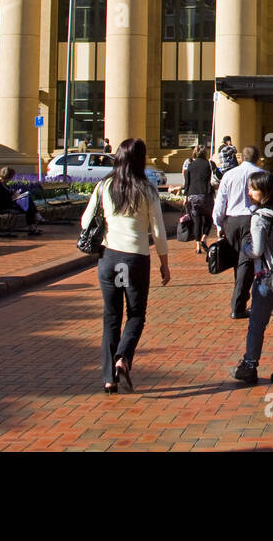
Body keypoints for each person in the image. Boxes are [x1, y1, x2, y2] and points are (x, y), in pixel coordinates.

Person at [81, 138, 170, 394]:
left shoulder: (104, 186)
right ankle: (123, 357)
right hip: (136, 259)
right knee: (136, 315)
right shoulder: (147, 189)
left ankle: (109, 378)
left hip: (109, 258)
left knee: (111, 317)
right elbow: (158, 231)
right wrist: (164, 264)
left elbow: (86, 220)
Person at [229, 170, 273, 385]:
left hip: (266, 278)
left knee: (257, 324)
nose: (249, 192)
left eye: (253, 188)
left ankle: (249, 365)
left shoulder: (259, 217)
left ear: (264, 191)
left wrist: (245, 247)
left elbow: (257, 250)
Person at [213, 145, 263, 319]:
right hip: (251, 220)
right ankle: (238, 305)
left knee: (238, 261)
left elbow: (220, 202)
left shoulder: (229, 175)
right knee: (245, 263)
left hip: (231, 221)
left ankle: (239, 299)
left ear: (242, 158)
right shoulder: (260, 175)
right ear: (258, 158)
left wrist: (219, 225)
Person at [0, 166, 41, 235]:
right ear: (7, 176)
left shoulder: (3, 184)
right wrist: (13, 197)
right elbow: (1, 199)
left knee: (27, 201)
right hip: (3, 206)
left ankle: (33, 224)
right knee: (28, 205)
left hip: (10, 204)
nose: (10, 179)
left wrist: (16, 195)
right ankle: (34, 223)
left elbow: (10, 194)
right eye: (10, 177)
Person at [183, 145, 214, 254]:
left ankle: (197, 246)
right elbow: (213, 179)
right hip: (206, 195)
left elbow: (187, 183)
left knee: (197, 221)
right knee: (209, 218)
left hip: (193, 195)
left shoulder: (190, 165)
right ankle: (204, 238)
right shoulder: (208, 164)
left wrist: (185, 196)